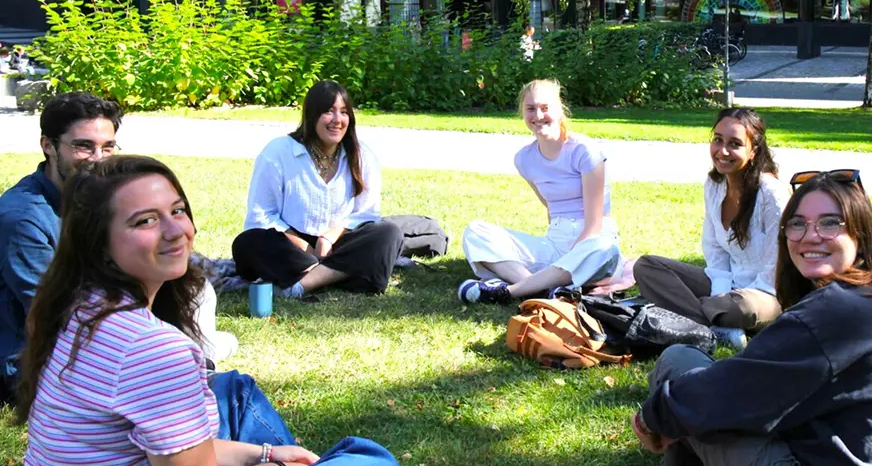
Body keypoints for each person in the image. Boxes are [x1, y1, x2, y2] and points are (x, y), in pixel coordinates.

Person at [17, 155, 411, 466]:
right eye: (145, 221)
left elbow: (156, 448)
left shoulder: (71, 307)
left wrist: (262, 452)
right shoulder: (149, 348)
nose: (174, 231)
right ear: (100, 244)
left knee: (233, 394)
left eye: (177, 210)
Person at [610, 171, 872, 466]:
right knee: (695, 370)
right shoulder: (864, 299)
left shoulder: (835, 313)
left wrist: (654, 418)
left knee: (678, 367)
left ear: (860, 238)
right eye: (798, 223)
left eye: (830, 222)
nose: (811, 235)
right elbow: (759, 383)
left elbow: (729, 390)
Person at [232, 80, 447, 299]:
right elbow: (262, 215)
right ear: (311, 115)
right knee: (246, 244)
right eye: (328, 111)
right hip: (291, 244)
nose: (337, 120)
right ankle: (339, 273)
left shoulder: (361, 155)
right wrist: (306, 247)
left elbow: (366, 214)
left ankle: (299, 285)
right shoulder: (278, 152)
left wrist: (328, 239)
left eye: (344, 112)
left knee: (388, 232)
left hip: (340, 243)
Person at [633, 108, 790, 348]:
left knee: (740, 307)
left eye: (735, 144)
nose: (722, 151)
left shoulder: (771, 193)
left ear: (753, 150)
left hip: (766, 293)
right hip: (728, 285)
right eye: (718, 140)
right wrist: (719, 295)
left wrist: (727, 300)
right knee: (647, 267)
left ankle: (696, 317)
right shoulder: (715, 185)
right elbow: (715, 251)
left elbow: (776, 265)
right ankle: (711, 326)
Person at [0, 92, 122, 399]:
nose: (98, 159)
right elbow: (59, 315)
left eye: (107, 147)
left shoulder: (91, 196)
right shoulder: (23, 218)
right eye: (83, 146)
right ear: (48, 146)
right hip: (29, 363)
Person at [458, 79, 621, 304]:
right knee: (476, 231)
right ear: (522, 113)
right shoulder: (524, 159)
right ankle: (543, 290)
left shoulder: (585, 151)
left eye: (546, 108)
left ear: (560, 110)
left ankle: (512, 291)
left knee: (603, 249)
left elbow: (595, 224)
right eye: (531, 108)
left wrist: (571, 258)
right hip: (555, 241)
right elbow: (550, 207)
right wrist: (558, 259)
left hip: (591, 241)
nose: (538, 115)